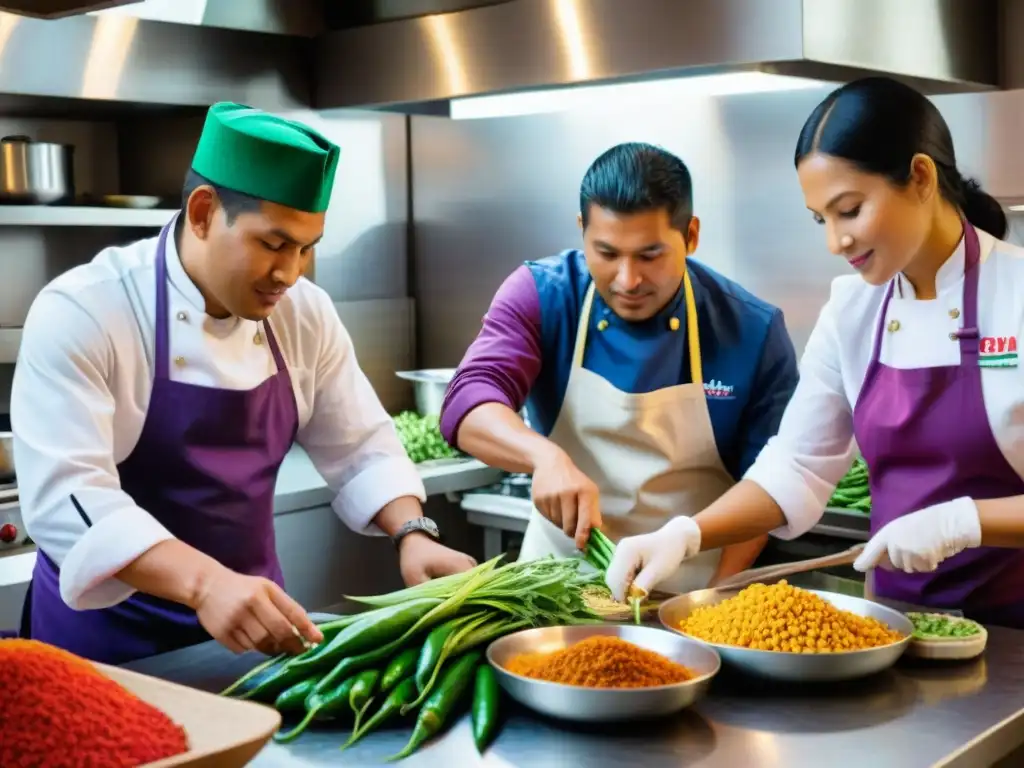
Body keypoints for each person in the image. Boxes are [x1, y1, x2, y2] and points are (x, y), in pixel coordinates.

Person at [9, 102, 477, 664]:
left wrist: (413, 533)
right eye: (274, 244)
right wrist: (206, 585)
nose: (291, 273)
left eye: (308, 248)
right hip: (107, 645)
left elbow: (361, 446)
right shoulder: (86, 310)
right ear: (204, 213)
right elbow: (69, 498)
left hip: (251, 632)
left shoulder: (304, 313)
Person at [604, 76, 1024, 627]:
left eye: (850, 210)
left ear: (920, 177)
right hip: (898, 628)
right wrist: (687, 534)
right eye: (821, 219)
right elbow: (796, 466)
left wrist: (964, 522)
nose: (836, 242)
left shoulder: (1015, 293)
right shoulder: (852, 309)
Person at [440, 142, 799, 593]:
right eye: (607, 254)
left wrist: (713, 605)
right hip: (554, 591)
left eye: (649, 255)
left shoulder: (752, 330)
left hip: (688, 589)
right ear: (582, 231)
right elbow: (467, 402)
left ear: (690, 236)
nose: (627, 280)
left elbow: (768, 485)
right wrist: (543, 457)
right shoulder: (545, 295)